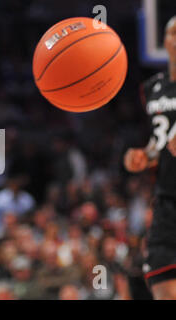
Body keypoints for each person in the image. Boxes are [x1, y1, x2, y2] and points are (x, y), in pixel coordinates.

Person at [124, 16, 176, 299]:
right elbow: (159, 142)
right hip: (167, 202)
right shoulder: (152, 88)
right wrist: (144, 155)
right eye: (173, 32)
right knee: (163, 289)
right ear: (164, 41)